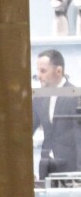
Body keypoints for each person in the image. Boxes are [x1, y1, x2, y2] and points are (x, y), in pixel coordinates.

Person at [32, 49, 81, 178]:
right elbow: (25, 131)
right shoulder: (39, 98)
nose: (39, 76)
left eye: (43, 71)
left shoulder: (75, 96)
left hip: (72, 169)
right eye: (37, 71)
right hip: (46, 168)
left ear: (58, 71)